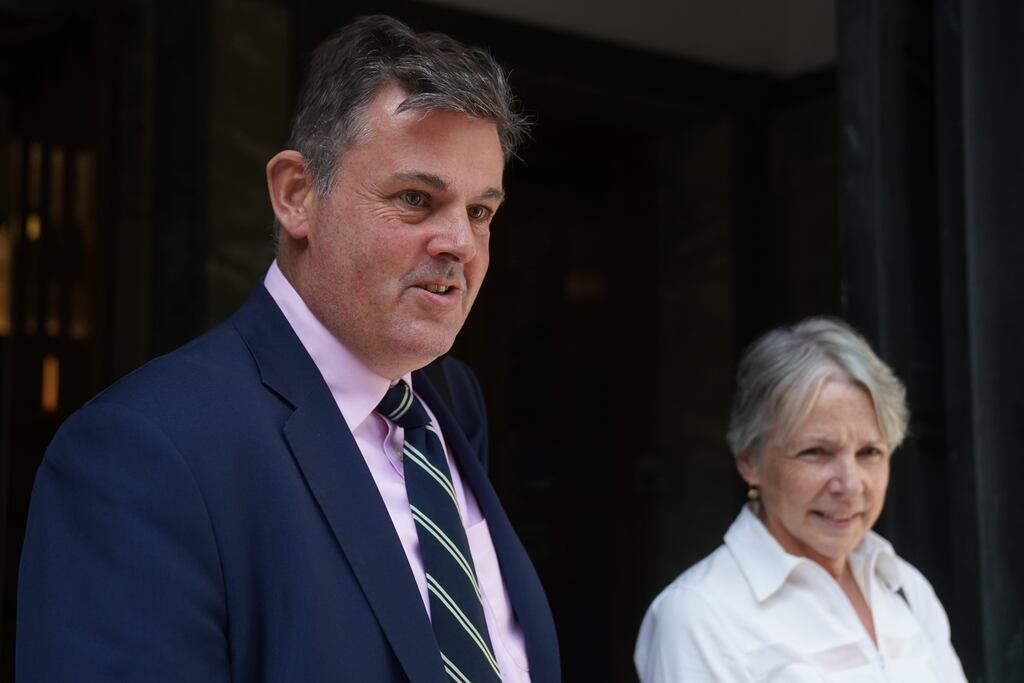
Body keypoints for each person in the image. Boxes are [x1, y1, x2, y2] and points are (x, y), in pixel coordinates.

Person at [17, 15, 559, 683]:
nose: (461, 245)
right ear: (296, 195)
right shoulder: (144, 449)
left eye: (480, 212)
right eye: (416, 199)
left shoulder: (448, 401)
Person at [634, 317, 967, 682]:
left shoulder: (904, 587)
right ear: (749, 460)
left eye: (869, 452)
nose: (850, 485)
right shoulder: (700, 613)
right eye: (816, 452)